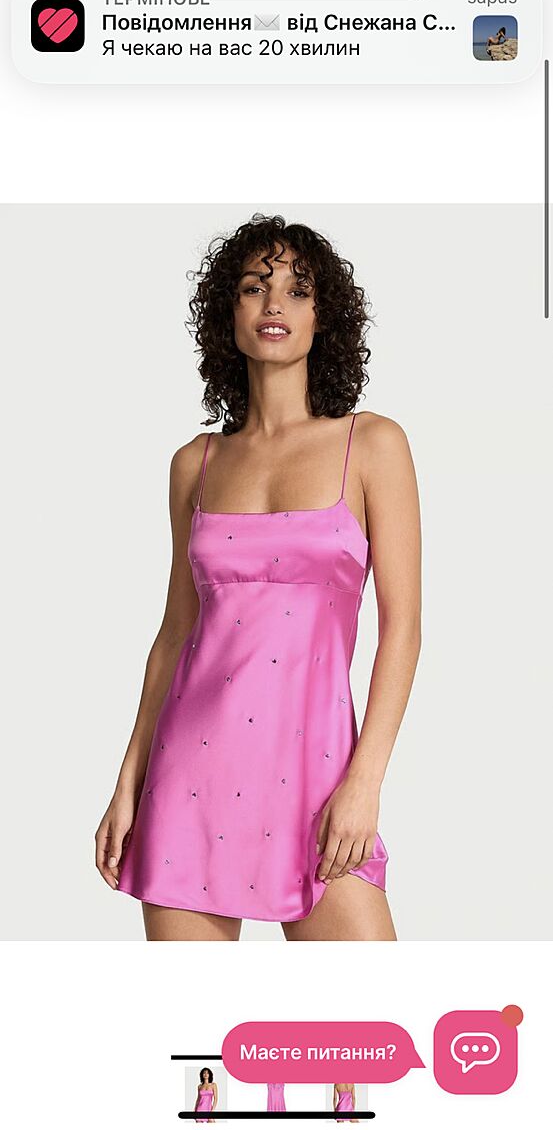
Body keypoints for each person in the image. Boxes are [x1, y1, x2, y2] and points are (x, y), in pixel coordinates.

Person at [95, 214, 422, 942]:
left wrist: (365, 782)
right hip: (188, 780)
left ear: (323, 317)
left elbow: (402, 629)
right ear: (229, 313)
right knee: (191, 1018)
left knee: (377, 1010)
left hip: (320, 779)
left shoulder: (372, 444)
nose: (275, 304)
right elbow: (175, 635)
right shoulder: (195, 463)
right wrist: (127, 784)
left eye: (298, 291)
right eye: (254, 288)